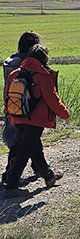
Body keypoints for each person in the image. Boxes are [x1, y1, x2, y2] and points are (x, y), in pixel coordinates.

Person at [3, 44, 68, 197]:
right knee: (25, 152)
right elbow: (53, 100)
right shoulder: (43, 75)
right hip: (35, 120)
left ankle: (49, 177)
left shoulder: (14, 73)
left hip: (17, 117)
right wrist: (65, 114)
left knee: (35, 149)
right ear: (44, 58)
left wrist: (10, 115)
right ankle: (11, 187)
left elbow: (7, 97)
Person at [2, 31, 42, 188]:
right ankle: (10, 176)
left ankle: (41, 169)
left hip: (11, 104)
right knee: (23, 143)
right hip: (26, 107)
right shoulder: (27, 63)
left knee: (26, 141)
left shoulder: (11, 61)